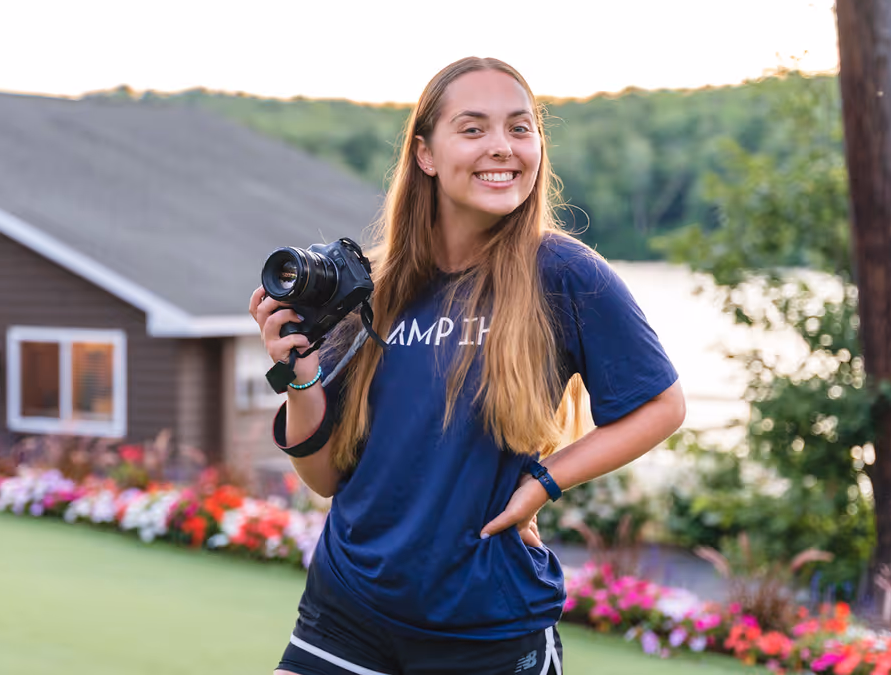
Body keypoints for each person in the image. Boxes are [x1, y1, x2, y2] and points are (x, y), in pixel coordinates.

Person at [249, 57, 686, 675]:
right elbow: (324, 477)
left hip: (485, 627)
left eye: (520, 128)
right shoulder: (375, 287)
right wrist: (300, 377)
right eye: (474, 128)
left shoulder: (564, 273)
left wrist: (543, 482)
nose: (502, 147)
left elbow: (661, 406)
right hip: (346, 608)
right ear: (426, 154)